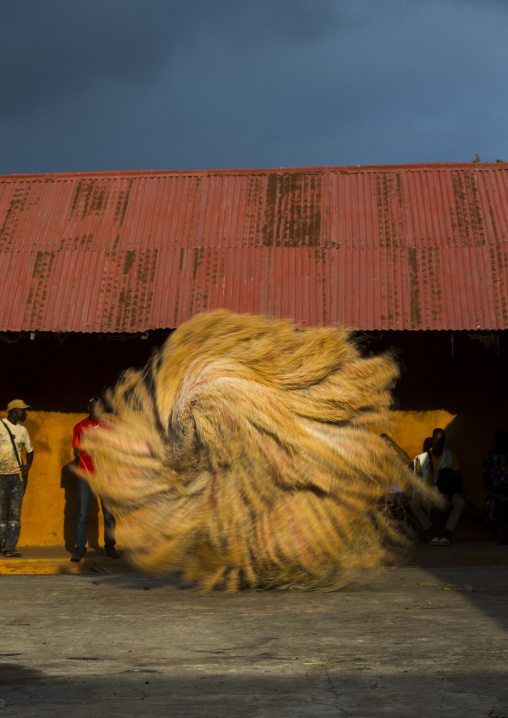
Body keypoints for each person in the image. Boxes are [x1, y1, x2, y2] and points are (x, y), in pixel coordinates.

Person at [71, 395, 120, 562]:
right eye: (96, 407)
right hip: (85, 475)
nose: (99, 409)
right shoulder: (79, 427)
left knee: (108, 514)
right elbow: (76, 450)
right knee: (82, 514)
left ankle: (110, 547)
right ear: (89, 408)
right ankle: (79, 548)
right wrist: (77, 452)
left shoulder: (110, 427)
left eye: (101, 407)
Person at [410, 428, 465, 545]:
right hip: (428, 493)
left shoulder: (451, 456)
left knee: (460, 502)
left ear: (444, 441)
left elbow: (458, 479)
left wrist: (450, 494)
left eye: (441, 440)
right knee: (413, 503)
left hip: (445, 493)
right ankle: (431, 531)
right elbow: (418, 480)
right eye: (436, 440)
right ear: (432, 440)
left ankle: (446, 533)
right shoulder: (421, 458)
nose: (438, 443)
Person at [0, 400, 34, 557]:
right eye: (23, 411)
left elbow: (29, 450)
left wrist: (28, 466)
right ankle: (1, 545)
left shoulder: (23, 430)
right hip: (1, 476)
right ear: (14, 411)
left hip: (17, 477)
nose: (25, 414)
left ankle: (10, 547)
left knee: (14, 513)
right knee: (0, 512)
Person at [482, 428, 508, 545]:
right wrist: (496, 490)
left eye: (501, 441)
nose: (498, 443)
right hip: (494, 491)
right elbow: (486, 478)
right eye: (496, 441)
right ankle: (501, 535)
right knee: (490, 505)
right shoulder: (489, 456)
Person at [380, 434, 412, 519]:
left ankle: (401, 526)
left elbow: (407, 460)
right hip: (382, 494)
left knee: (403, 503)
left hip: (396, 494)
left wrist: (393, 444)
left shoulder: (394, 458)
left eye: (387, 444)